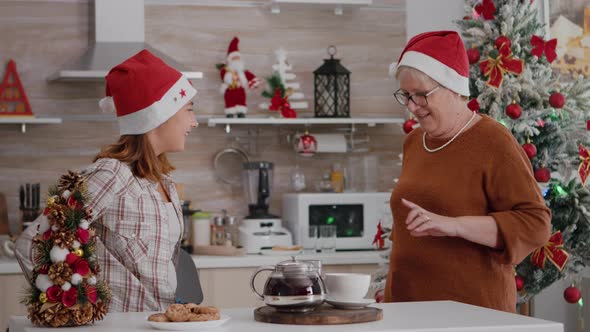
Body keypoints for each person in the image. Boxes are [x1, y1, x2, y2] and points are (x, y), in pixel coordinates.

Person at [15, 49, 198, 312]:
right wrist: (78, 303)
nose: (194, 122)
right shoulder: (112, 174)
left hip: (160, 321)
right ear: (160, 114)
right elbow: (31, 242)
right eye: (189, 110)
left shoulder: (164, 181)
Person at [384, 30, 551, 313]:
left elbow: (536, 224)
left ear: (452, 88)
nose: (412, 107)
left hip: (471, 311)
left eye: (422, 95)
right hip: (406, 308)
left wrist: (454, 225)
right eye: (406, 95)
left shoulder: (493, 140)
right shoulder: (414, 141)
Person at [219, 36, 261, 117]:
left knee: (241, 100)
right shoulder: (226, 71)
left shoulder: (243, 72)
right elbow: (223, 76)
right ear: (229, 60)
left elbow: (251, 77)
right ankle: (230, 113)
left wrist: (255, 82)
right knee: (229, 101)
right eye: (234, 58)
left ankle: (241, 112)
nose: (236, 60)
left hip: (240, 89)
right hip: (230, 89)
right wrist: (230, 76)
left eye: (238, 58)